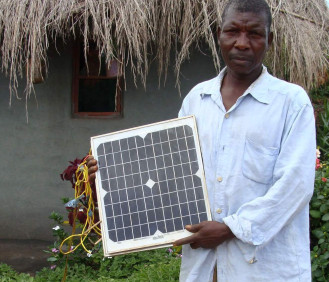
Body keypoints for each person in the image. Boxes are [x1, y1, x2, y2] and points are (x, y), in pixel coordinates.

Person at [88, 0, 316, 280]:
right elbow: (170, 173)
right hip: (204, 268)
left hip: (263, 269)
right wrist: (112, 172)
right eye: (232, 31)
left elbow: (296, 186)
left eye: (254, 34)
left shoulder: (291, 103)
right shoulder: (197, 99)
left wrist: (230, 229)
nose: (242, 43)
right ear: (219, 34)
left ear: (269, 40)